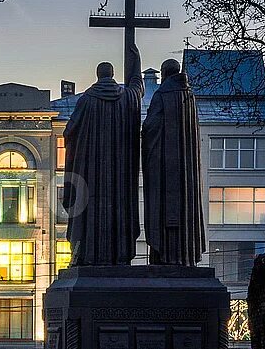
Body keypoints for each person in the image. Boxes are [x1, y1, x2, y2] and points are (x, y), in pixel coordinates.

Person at [62, 40, 144, 265]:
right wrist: (136, 59)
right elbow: (138, 86)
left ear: (98, 76)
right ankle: (119, 256)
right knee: (118, 210)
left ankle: (86, 255)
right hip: (119, 175)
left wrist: (77, 148)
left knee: (87, 214)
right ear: (113, 75)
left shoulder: (86, 100)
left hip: (90, 172)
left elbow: (70, 131)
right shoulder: (127, 98)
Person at [141, 58, 206, 266]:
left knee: (163, 209)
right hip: (185, 170)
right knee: (185, 209)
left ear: (165, 73)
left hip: (164, 165)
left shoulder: (162, 95)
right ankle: (185, 256)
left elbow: (151, 126)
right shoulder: (189, 96)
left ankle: (164, 256)